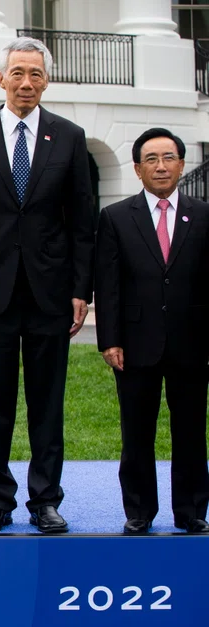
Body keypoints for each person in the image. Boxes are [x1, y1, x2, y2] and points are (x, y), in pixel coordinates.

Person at [0, 37, 94, 534]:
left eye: (35, 74)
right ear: (0, 79)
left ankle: (45, 499)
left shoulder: (69, 137)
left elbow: (82, 222)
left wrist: (81, 289)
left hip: (51, 291)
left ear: (46, 80)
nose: (26, 83)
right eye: (17, 73)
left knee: (47, 402)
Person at [95, 128, 209, 535]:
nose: (160, 166)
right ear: (138, 169)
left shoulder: (202, 215)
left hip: (193, 343)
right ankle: (139, 511)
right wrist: (109, 338)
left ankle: (192, 510)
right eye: (151, 159)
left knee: (192, 431)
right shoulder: (115, 217)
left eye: (168, 157)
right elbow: (107, 284)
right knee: (137, 432)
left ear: (181, 164)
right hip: (135, 343)